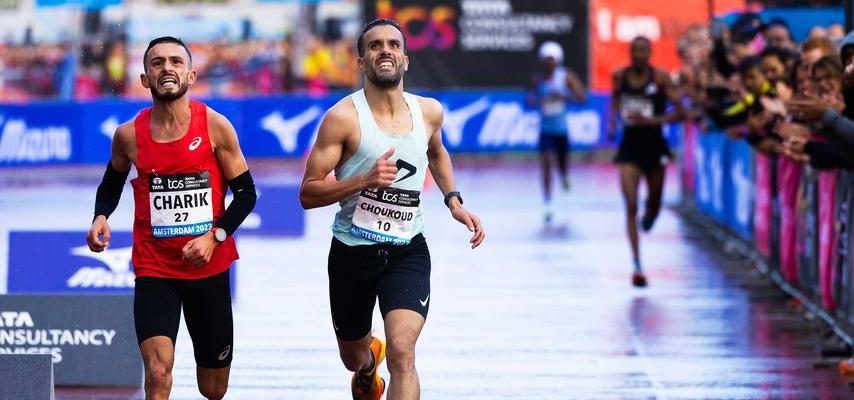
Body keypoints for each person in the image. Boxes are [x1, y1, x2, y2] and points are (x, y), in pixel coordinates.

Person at [299, 18, 485, 400]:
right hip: (352, 252)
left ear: (405, 58)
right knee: (353, 356)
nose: (385, 50)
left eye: (393, 44)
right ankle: (368, 366)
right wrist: (362, 181)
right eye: (374, 45)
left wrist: (453, 201)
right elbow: (308, 193)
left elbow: (436, 151)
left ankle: (386, 359)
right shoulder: (342, 119)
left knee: (404, 351)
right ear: (362, 62)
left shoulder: (429, 112)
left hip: (407, 250)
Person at [85, 36, 257, 400]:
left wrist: (216, 236)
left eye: (176, 62)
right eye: (158, 63)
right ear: (145, 78)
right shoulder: (128, 135)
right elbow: (112, 179)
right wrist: (101, 215)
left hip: (208, 268)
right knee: (158, 374)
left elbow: (246, 194)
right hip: (155, 270)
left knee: (213, 389)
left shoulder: (215, 126)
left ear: (191, 74)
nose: (167, 68)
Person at [608, 36, 683, 287]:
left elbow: (680, 112)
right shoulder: (620, 76)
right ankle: (637, 265)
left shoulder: (660, 78)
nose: (639, 55)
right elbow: (614, 100)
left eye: (643, 51)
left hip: (655, 148)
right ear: (630, 53)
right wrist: (611, 123)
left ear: (650, 53)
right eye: (635, 51)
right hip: (629, 148)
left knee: (653, 206)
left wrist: (651, 121)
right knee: (630, 206)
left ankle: (650, 218)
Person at [530, 40, 587, 222]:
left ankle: (564, 177)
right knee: (546, 163)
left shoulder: (566, 76)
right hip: (545, 129)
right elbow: (529, 98)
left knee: (562, 164)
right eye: (546, 59)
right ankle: (547, 201)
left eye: (552, 59)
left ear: (558, 60)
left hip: (561, 130)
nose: (549, 63)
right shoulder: (538, 79)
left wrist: (564, 96)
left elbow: (582, 97)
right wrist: (538, 99)